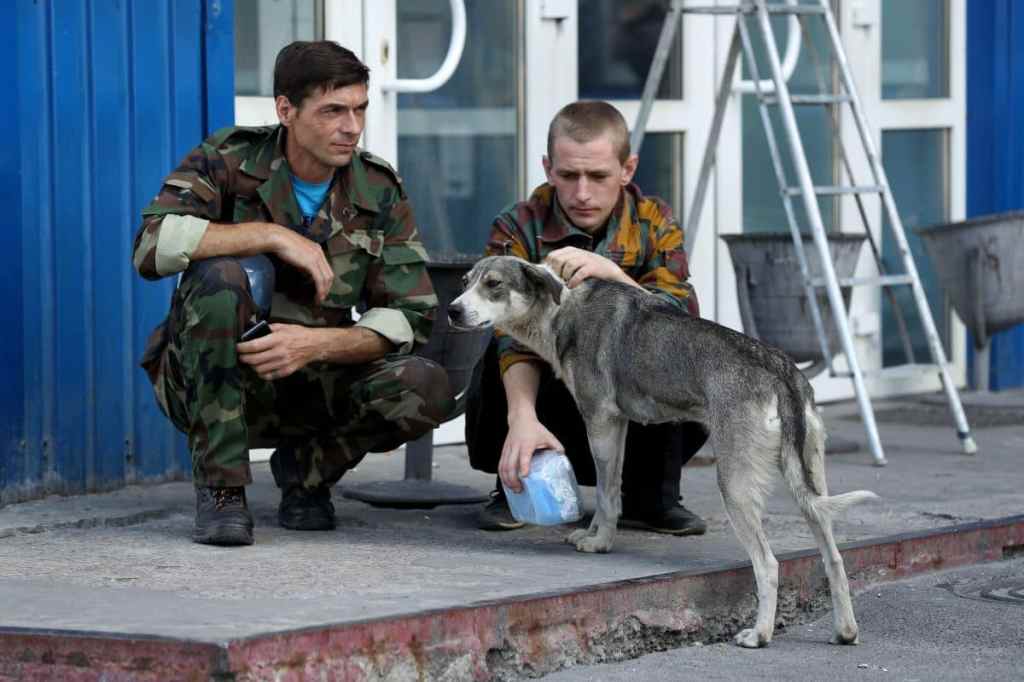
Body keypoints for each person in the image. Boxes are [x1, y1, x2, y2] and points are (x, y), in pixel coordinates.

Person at [132, 41, 451, 547]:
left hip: (314, 378)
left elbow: (410, 316)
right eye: (333, 111)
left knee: (428, 383)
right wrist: (274, 235)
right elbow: (151, 246)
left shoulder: (377, 187)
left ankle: (306, 476)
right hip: (219, 377)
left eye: (359, 109)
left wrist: (314, 345)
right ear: (286, 110)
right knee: (220, 279)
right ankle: (222, 490)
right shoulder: (230, 160)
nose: (352, 126)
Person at [465, 101, 708, 535]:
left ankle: (651, 495)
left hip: (637, 394)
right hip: (553, 399)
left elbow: (681, 322)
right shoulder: (518, 225)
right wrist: (521, 416)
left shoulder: (654, 223)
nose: (581, 193)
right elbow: (508, 337)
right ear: (547, 168)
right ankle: (517, 481)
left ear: (627, 169)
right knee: (500, 347)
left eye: (598, 176)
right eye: (567, 175)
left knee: (688, 357)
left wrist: (614, 276)